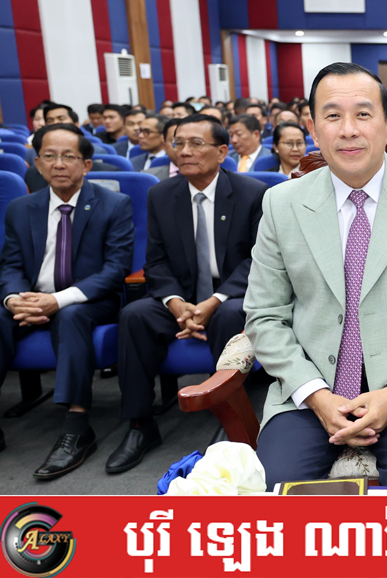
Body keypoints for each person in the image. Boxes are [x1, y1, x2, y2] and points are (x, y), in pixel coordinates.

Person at [246, 63, 387, 491]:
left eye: (363, 114)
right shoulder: (281, 204)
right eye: (333, 116)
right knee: (276, 486)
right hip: (310, 389)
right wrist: (317, 395)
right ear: (314, 130)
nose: (348, 130)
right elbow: (264, 315)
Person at [107, 114, 266, 473]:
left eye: (196, 144)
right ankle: (139, 424)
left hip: (231, 296)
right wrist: (177, 304)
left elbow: (258, 259)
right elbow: (156, 261)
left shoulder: (252, 193)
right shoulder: (161, 195)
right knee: (134, 316)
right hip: (182, 297)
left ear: (222, 151)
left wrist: (214, 301)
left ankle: (232, 422)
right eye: (178, 143)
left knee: (229, 314)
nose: (185, 151)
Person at [0, 123, 134, 478]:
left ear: (86, 164)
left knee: (71, 316)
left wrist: (57, 301)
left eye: (68, 156)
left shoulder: (113, 204)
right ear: (37, 163)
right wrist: (15, 299)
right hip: (32, 298)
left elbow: (116, 269)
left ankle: (77, 427)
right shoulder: (21, 208)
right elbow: (11, 265)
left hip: (90, 300)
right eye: (49, 156)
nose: (58, 164)